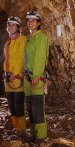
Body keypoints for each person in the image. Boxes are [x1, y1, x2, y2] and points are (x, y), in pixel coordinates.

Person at [23, 10, 49, 140]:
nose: (30, 23)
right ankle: (34, 134)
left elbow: (40, 59)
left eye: (33, 20)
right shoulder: (30, 38)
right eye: (28, 20)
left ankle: (41, 137)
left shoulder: (41, 38)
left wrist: (36, 76)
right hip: (28, 78)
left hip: (36, 78)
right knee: (31, 108)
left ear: (39, 23)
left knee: (37, 108)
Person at [3, 16, 27, 132]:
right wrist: (7, 72)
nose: (11, 27)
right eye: (9, 24)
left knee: (18, 104)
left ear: (18, 27)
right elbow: (6, 60)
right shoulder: (8, 42)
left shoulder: (22, 40)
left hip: (17, 77)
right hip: (8, 78)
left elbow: (22, 58)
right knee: (11, 105)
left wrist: (15, 73)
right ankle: (16, 127)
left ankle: (21, 130)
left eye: (13, 25)